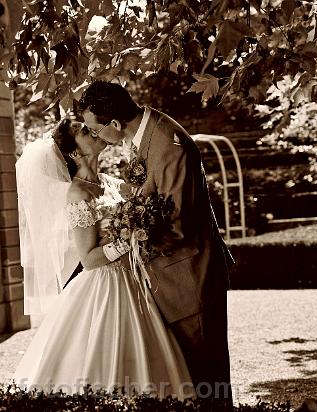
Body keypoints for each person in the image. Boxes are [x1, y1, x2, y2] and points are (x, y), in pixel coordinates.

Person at [13, 118, 194, 399]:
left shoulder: (112, 183)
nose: (95, 131)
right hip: (104, 284)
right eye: (86, 131)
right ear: (75, 152)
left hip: (135, 278)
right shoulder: (78, 193)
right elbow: (88, 259)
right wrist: (129, 239)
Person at [79, 81, 235, 404]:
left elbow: (177, 226)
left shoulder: (167, 144)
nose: (96, 136)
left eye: (96, 130)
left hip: (189, 277)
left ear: (115, 124)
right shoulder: (143, 135)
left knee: (207, 380)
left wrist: (123, 246)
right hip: (167, 278)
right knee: (185, 382)